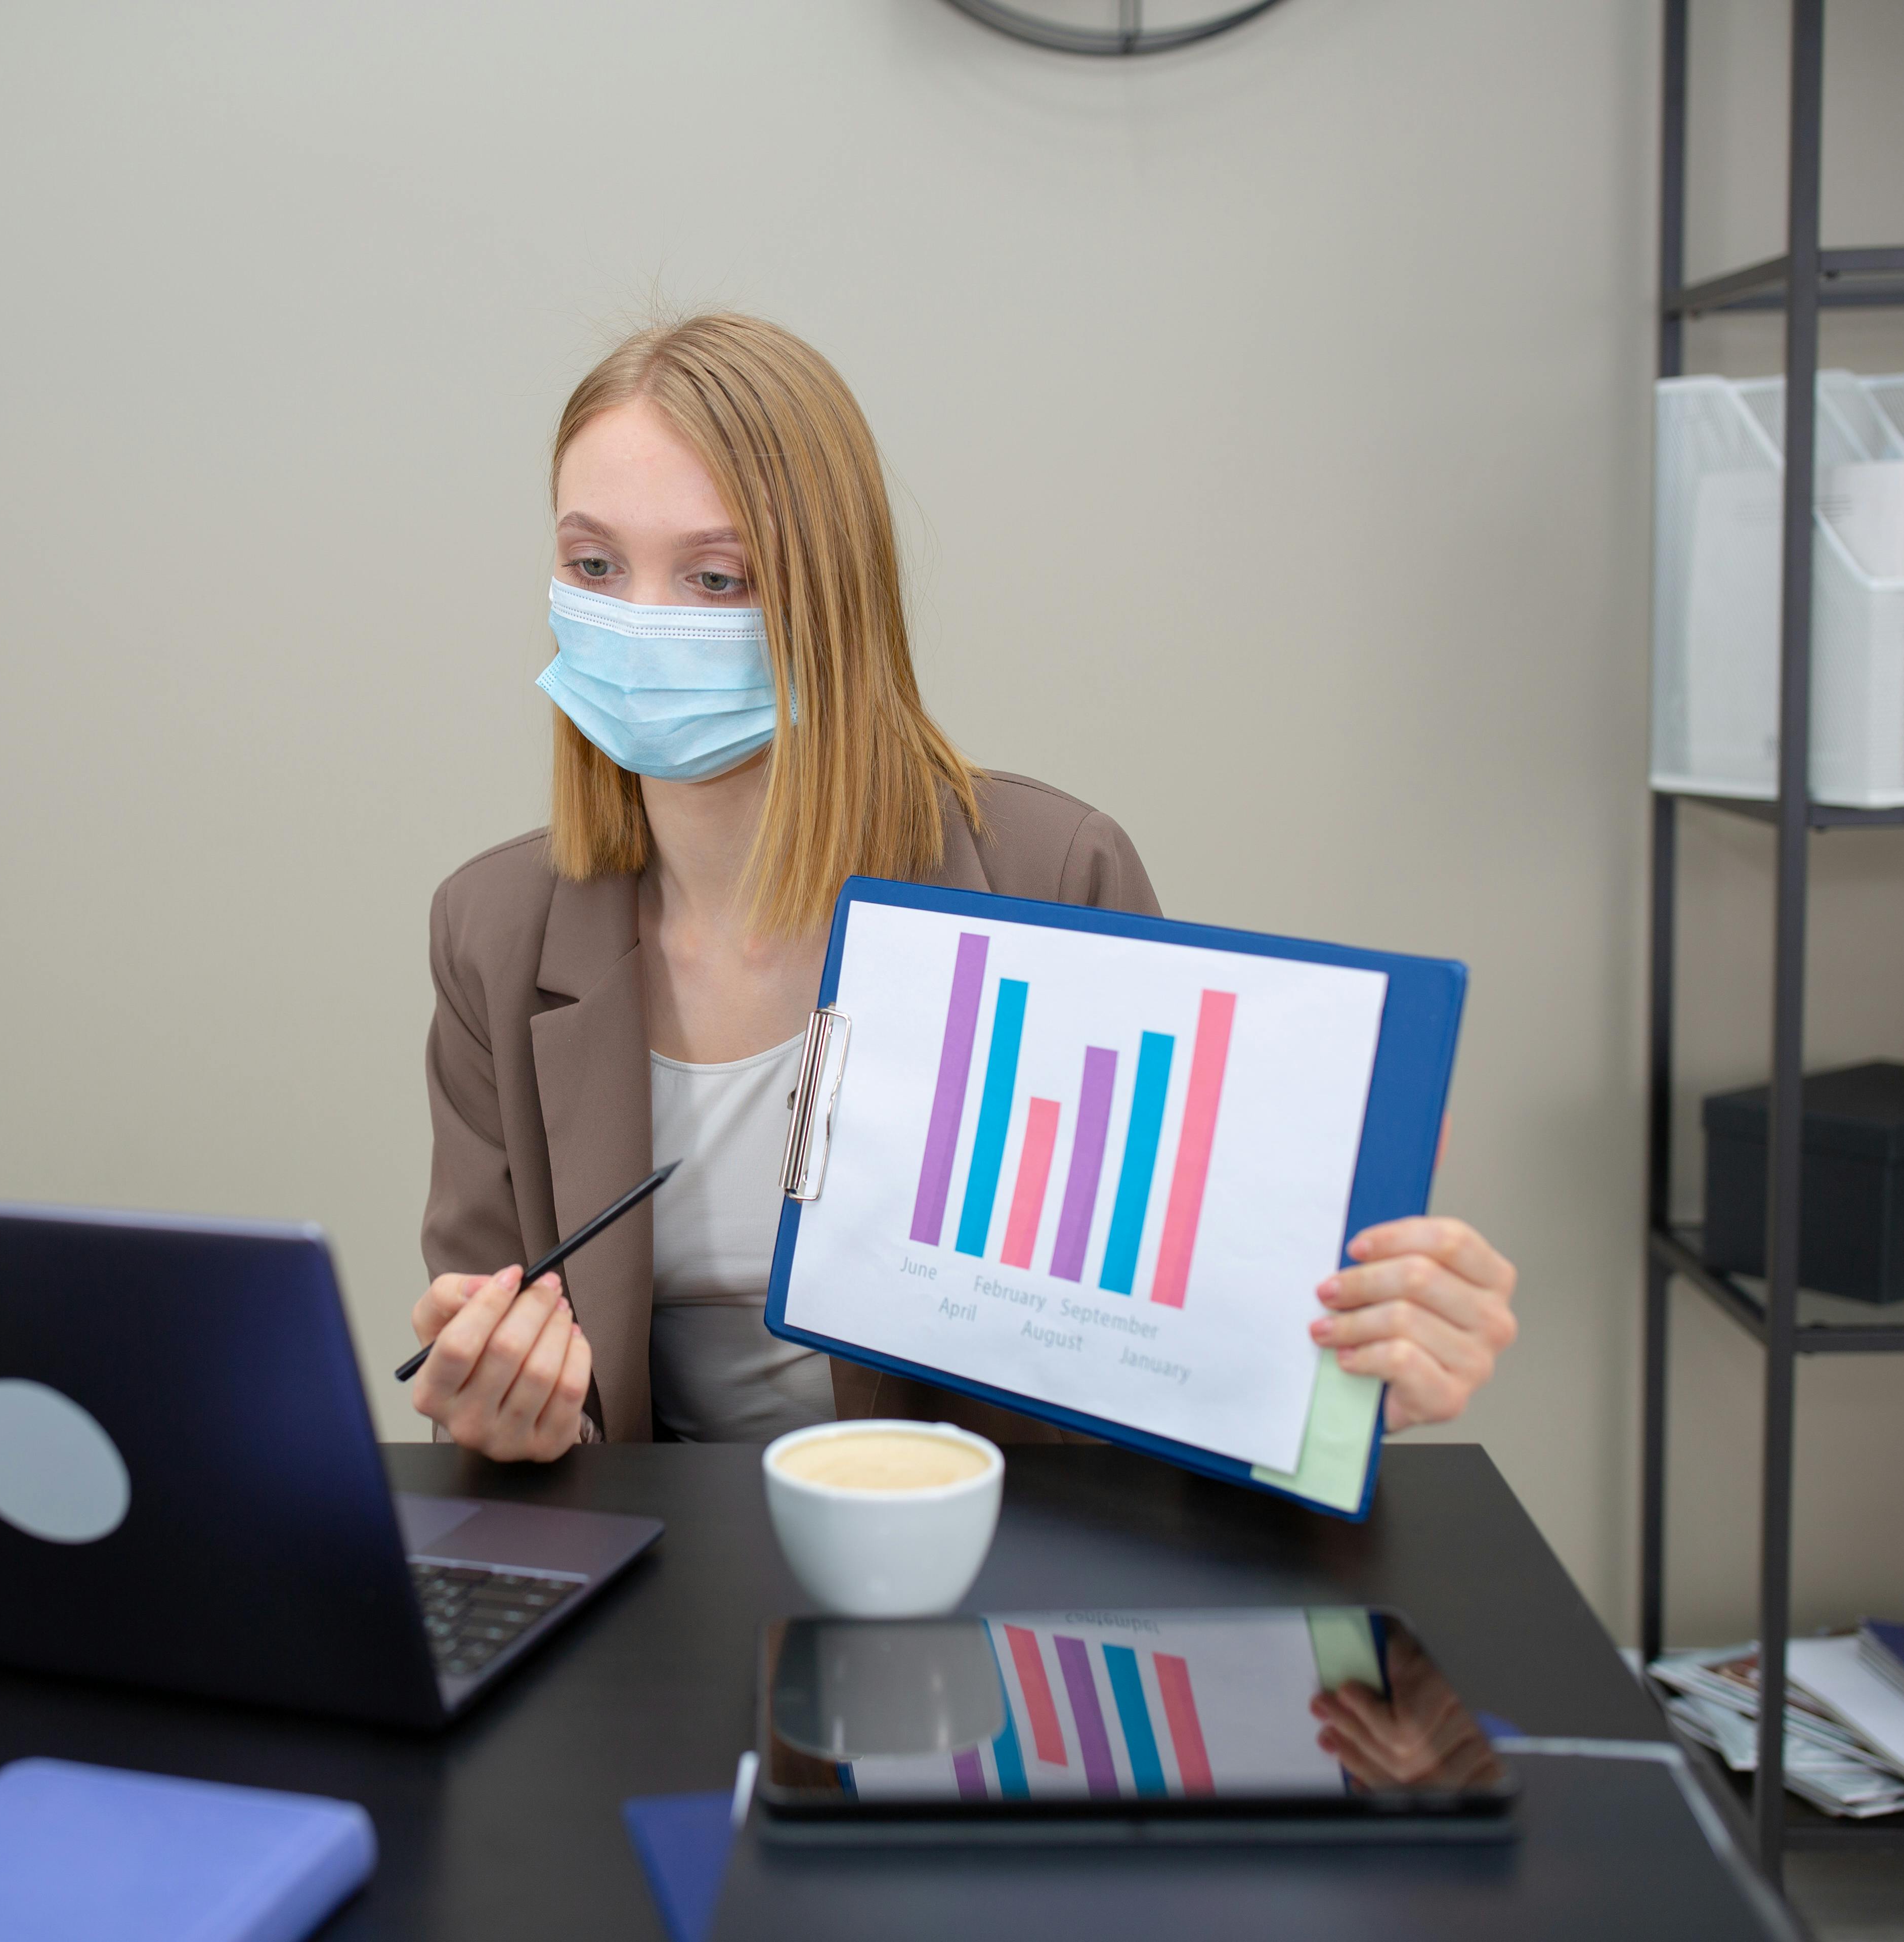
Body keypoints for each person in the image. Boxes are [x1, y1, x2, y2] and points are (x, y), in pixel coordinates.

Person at [407, 313, 1519, 1461]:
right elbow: (488, 1374)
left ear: (829, 603)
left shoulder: (1055, 875)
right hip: (663, 1589)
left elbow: (1182, 1337)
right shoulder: (491, 930)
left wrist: (1345, 1375)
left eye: (716, 577)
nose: (639, 621)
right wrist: (498, 1420)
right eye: (594, 565)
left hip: (988, 1586)